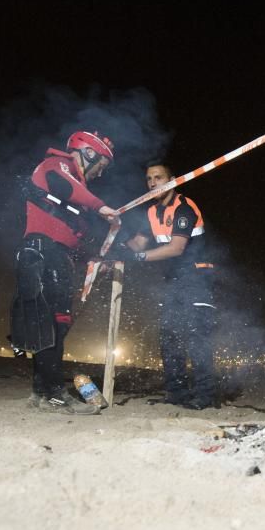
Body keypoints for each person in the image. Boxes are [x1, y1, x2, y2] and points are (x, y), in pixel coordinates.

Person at [11, 130, 118, 415]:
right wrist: (101, 206)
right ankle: (54, 395)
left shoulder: (75, 200)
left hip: (57, 256)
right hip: (42, 252)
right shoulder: (57, 166)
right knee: (50, 325)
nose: (99, 173)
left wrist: (95, 259)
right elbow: (62, 184)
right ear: (88, 153)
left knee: (55, 326)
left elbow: (72, 239)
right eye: (101, 166)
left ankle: (41, 393)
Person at [105, 160, 219, 409]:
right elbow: (139, 243)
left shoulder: (185, 207)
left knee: (196, 336)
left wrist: (138, 258)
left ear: (172, 180)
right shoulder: (151, 212)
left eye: (158, 178)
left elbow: (176, 248)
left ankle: (206, 395)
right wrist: (116, 247)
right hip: (173, 281)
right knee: (169, 336)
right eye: (149, 179)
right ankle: (176, 392)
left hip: (196, 277)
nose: (153, 183)